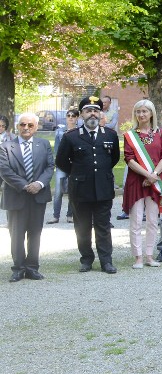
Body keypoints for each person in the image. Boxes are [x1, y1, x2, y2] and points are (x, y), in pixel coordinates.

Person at [55, 95, 121, 273]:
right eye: (88, 111)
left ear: (100, 114)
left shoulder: (110, 135)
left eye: (96, 111)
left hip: (103, 189)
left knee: (103, 226)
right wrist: (79, 173)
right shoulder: (71, 137)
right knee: (82, 227)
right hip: (80, 189)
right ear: (82, 115)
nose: (92, 114)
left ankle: (106, 261)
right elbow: (61, 161)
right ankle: (86, 259)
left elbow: (113, 159)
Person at [1, 113, 53, 281]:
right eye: (23, 124)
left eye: (30, 125)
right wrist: (24, 185)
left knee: (35, 233)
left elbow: (49, 167)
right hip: (16, 195)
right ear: (17, 126)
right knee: (16, 234)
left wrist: (39, 184)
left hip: (38, 195)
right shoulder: (6, 146)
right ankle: (18, 268)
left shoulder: (44, 144)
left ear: (36, 127)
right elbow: (4, 170)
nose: (26, 128)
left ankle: (32, 267)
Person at [121, 99, 162, 269]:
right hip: (137, 182)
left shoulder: (161, 133)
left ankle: (149, 255)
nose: (141, 115)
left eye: (144, 111)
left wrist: (154, 175)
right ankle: (138, 257)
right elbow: (129, 159)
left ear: (151, 113)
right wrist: (147, 175)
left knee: (152, 221)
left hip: (155, 182)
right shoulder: (130, 135)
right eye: (138, 111)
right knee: (135, 221)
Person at [49, 107, 78, 224]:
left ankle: (70, 215)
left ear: (77, 118)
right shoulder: (60, 131)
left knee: (72, 191)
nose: (71, 118)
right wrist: (57, 162)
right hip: (62, 164)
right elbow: (56, 148)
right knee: (58, 191)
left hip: (74, 165)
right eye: (69, 116)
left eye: (73, 116)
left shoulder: (79, 131)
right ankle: (56, 216)